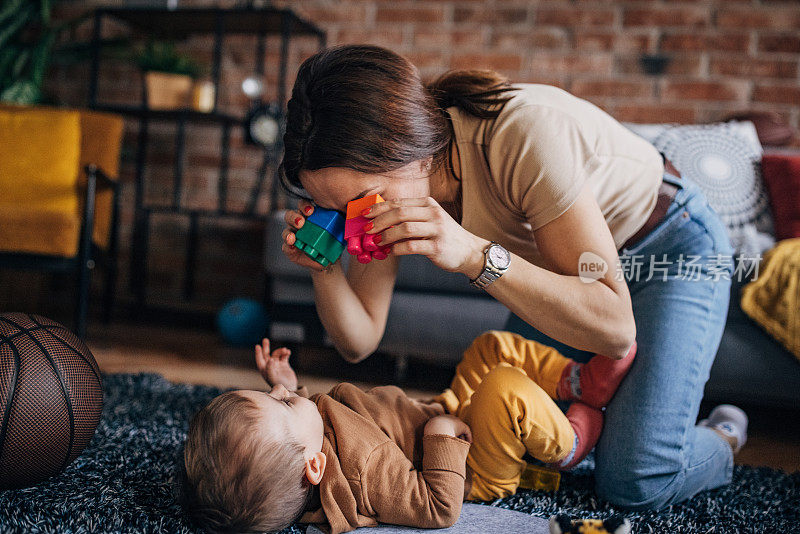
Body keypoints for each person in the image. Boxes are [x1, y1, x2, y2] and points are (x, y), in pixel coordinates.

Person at [276, 44, 748, 510]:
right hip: (572, 281)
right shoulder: (385, 195)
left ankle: (720, 438)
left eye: (361, 200)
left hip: (668, 246)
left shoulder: (521, 133)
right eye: (337, 209)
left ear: (407, 147)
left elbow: (615, 329)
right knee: (495, 440)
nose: (353, 220)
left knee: (637, 479)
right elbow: (360, 341)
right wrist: (325, 271)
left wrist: (473, 253)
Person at [181, 334, 635, 533]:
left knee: (490, 348)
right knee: (504, 388)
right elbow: (437, 508)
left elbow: (301, 428)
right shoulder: (365, 472)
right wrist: (440, 434)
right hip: (472, 465)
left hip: (440, 413)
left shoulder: (308, 446)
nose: (285, 394)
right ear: (315, 467)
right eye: (283, 402)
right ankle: (570, 445)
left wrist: (283, 381)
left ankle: (580, 383)